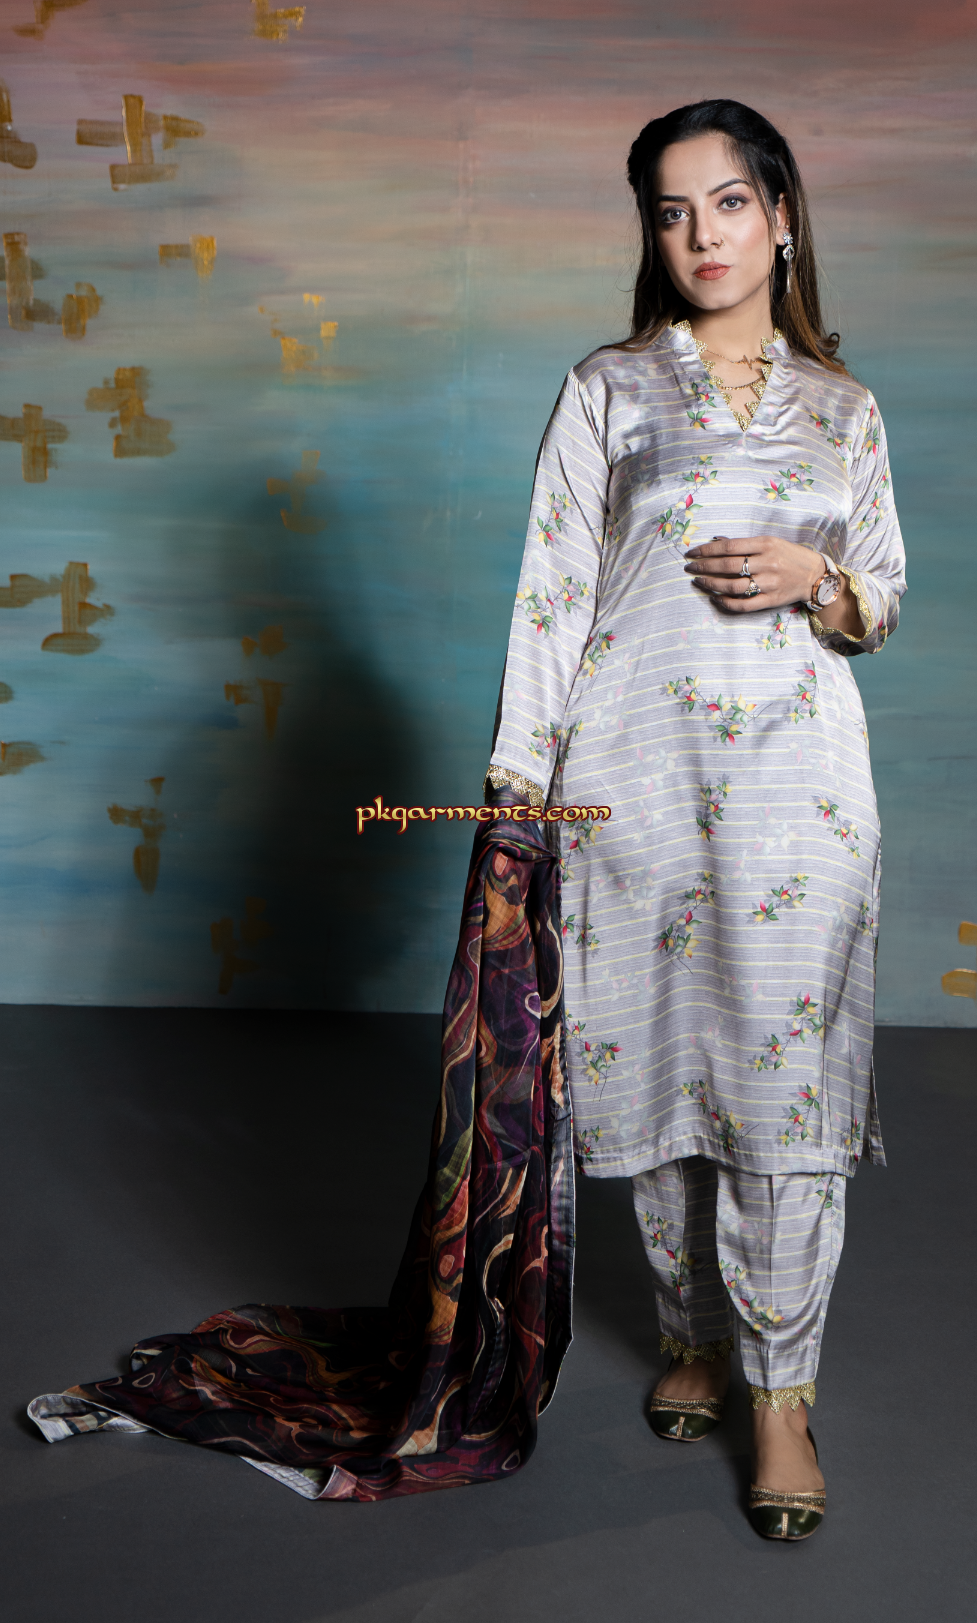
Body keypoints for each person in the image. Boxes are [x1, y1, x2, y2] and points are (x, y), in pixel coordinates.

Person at [484, 98, 906, 1541]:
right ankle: (691, 1335)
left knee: (786, 1086)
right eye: (672, 212)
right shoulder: (609, 389)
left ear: (781, 217)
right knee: (654, 1069)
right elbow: (552, 594)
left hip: (800, 792)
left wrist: (815, 577)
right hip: (634, 778)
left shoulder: (843, 409)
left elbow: (882, 596)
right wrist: (517, 792)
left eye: (728, 203)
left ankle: (782, 1394)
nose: (703, 236)